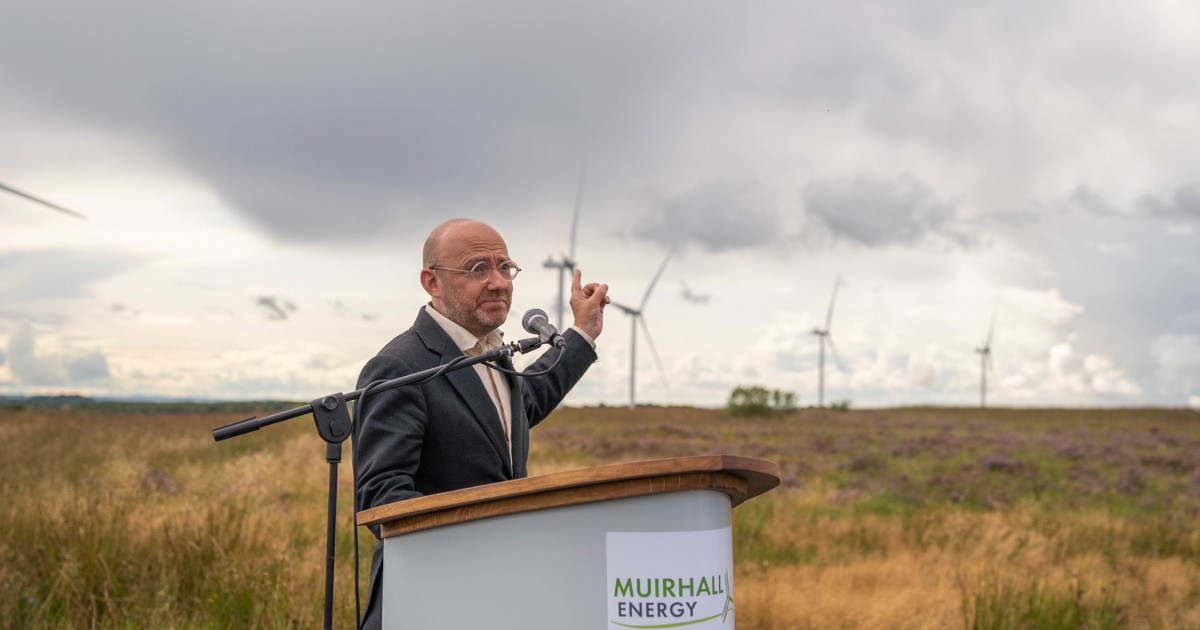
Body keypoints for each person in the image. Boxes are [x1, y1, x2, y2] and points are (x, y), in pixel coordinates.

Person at [352, 218, 609, 630]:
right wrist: (478, 542)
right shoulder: (400, 366)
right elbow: (382, 498)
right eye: (478, 269)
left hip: (497, 594)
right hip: (427, 602)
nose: (498, 282)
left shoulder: (491, 353)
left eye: (505, 267)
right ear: (432, 282)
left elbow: (522, 405)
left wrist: (582, 332)